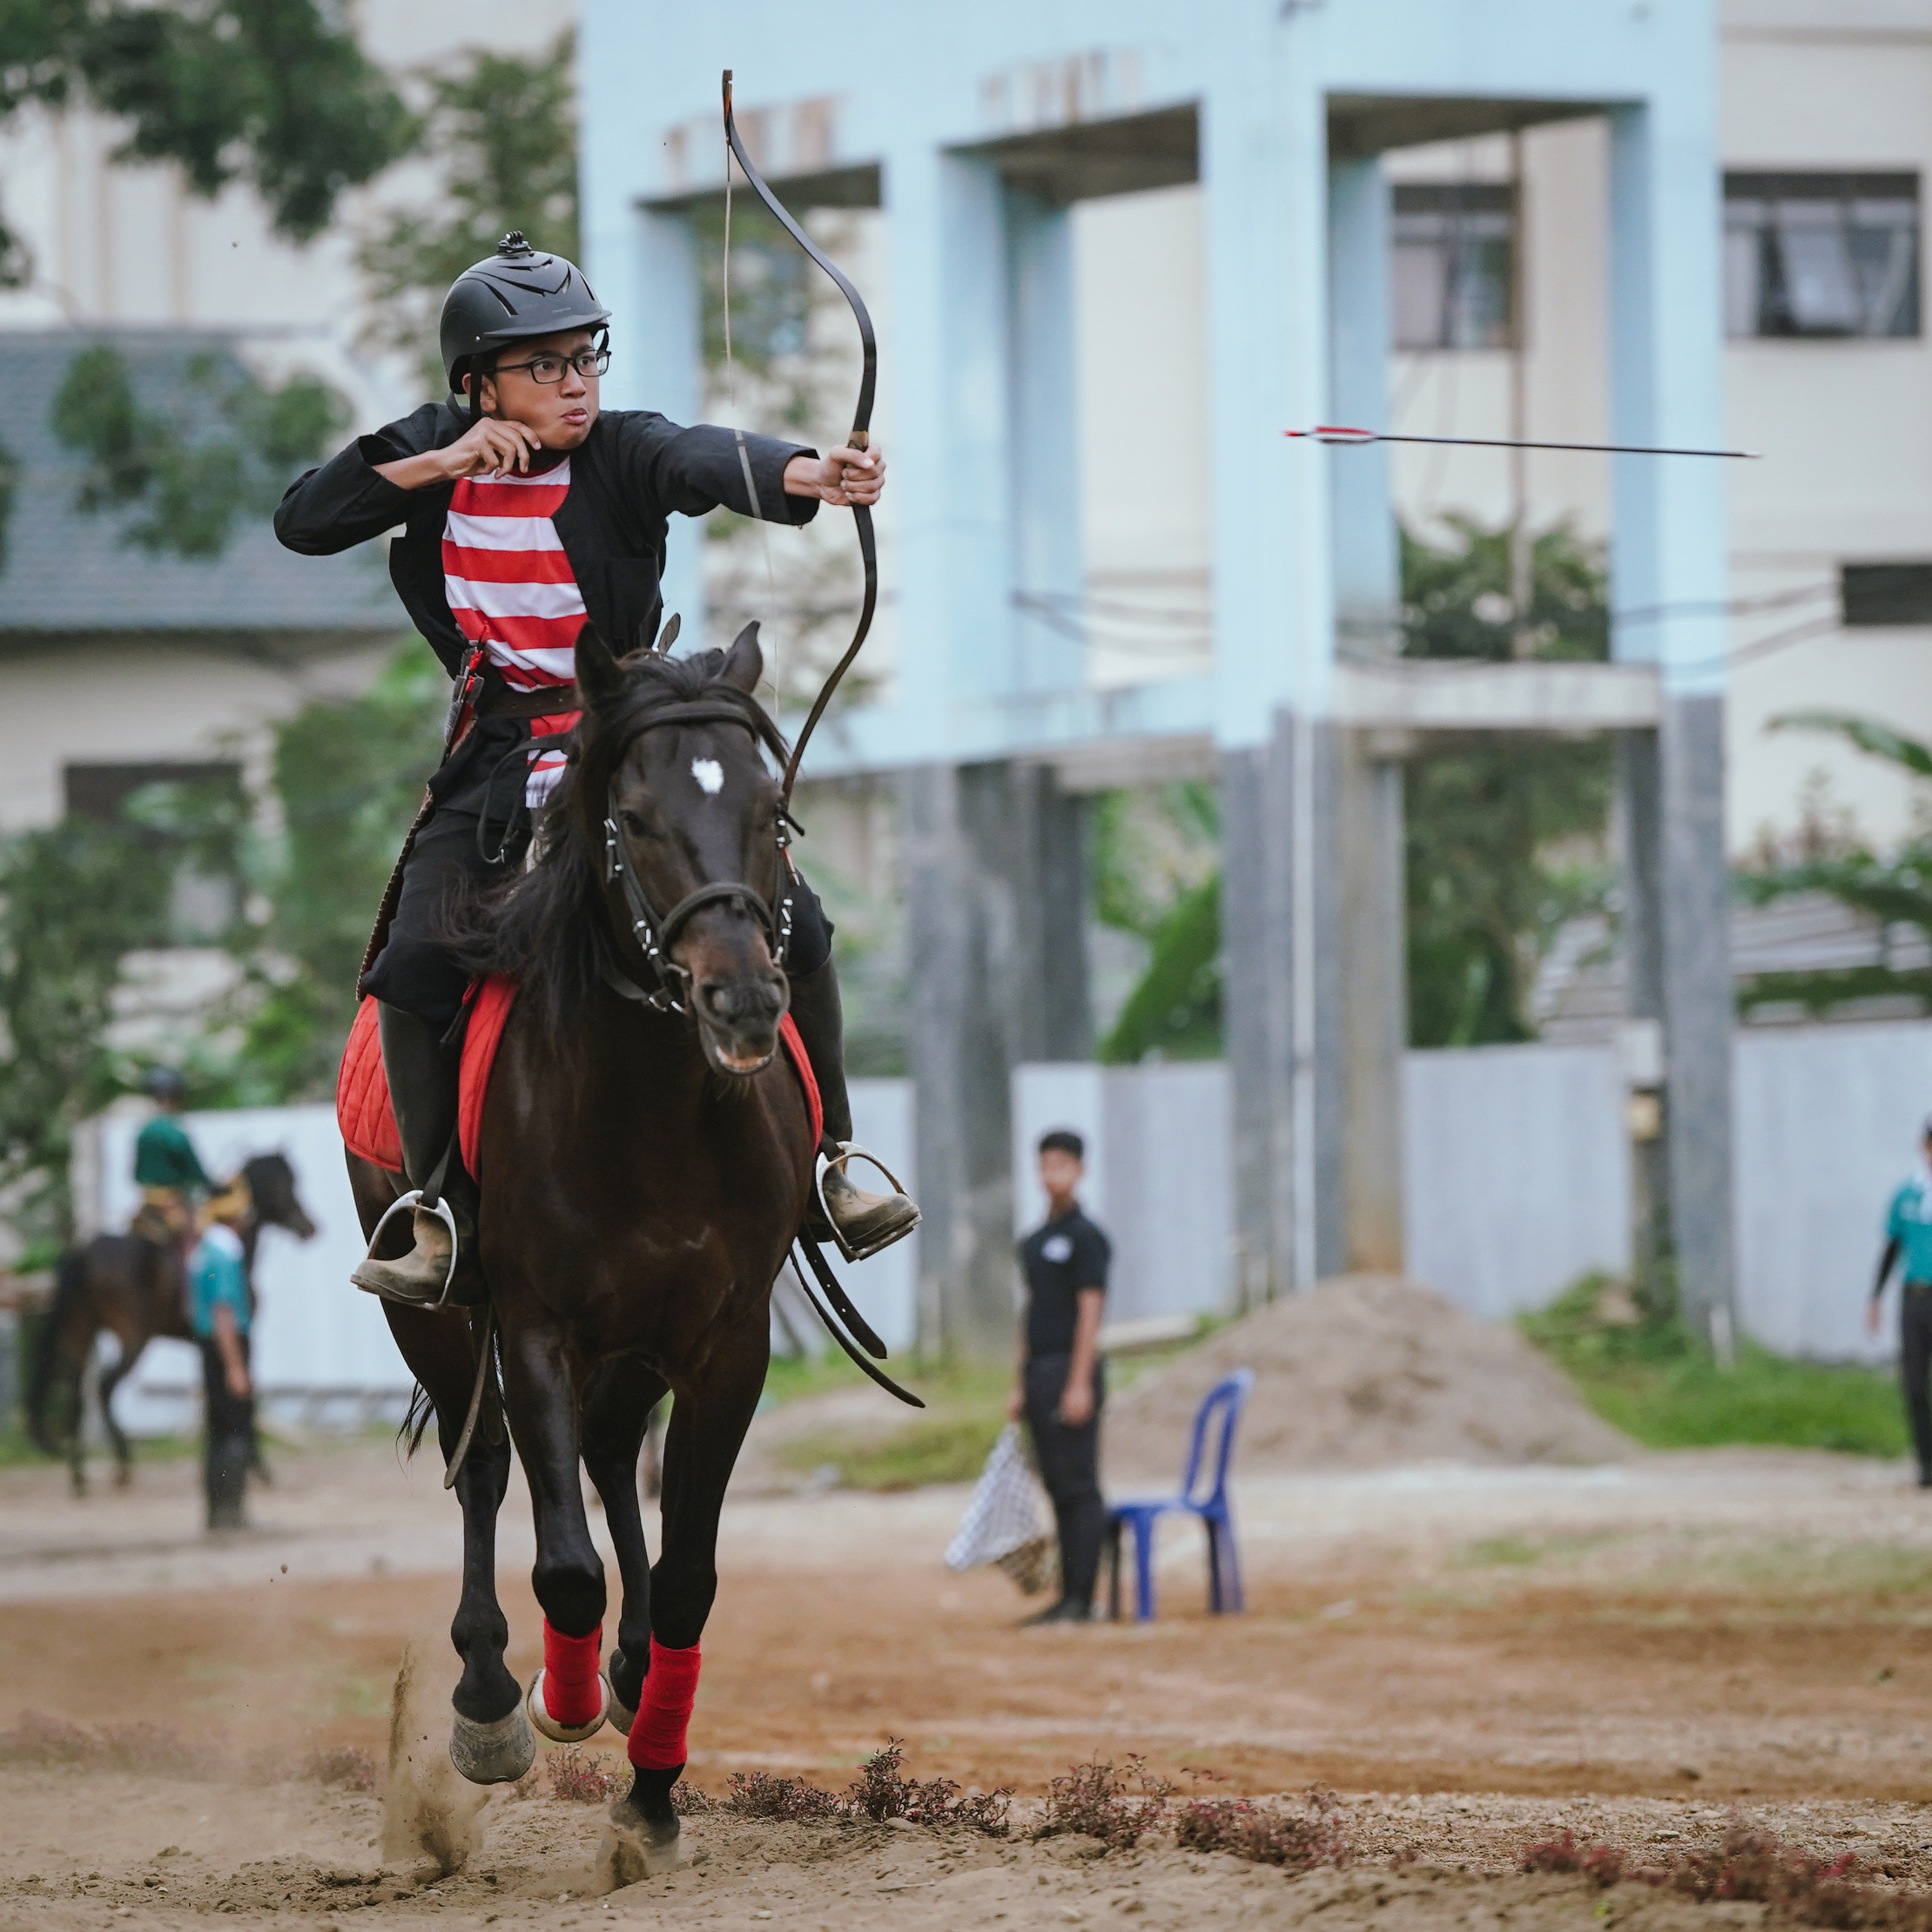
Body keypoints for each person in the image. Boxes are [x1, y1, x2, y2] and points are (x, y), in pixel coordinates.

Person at [274, 232, 917, 1303]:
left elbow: (698, 455)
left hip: (623, 741)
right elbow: (304, 520)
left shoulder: (620, 450)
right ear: (479, 382)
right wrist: (444, 464)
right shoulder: (431, 450)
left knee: (794, 922)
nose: (576, 384)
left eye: (587, 358)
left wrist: (808, 472)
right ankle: (433, 1209)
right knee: (412, 960)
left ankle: (832, 1164)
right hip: (491, 760)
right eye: (547, 365)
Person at [1009, 1128, 1111, 1626]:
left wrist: (1080, 1381)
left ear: (1080, 1171)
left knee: (1079, 1486)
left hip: (1071, 1368)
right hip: (1039, 1370)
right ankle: (1066, 1594)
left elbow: (1090, 1310)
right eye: (1045, 1165)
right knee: (1055, 1485)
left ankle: (1083, 1596)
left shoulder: (1087, 1239)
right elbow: (1030, 1312)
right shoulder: (1034, 1242)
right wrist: (1018, 1384)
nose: (1052, 1175)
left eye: (1062, 1166)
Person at [1869, 1115, 1932, 1488]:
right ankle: (1926, 1462)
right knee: (1914, 1385)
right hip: (1916, 1298)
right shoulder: (1907, 1195)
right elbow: (1892, 1248)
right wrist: (1875, 1296)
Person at [189, 1178, 255, 1531]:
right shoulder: (226, 1251)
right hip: (228, 1345)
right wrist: (236, 1366)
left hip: (206, 1344)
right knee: (236, 1428)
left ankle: (217, 1513)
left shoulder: (201, 1251)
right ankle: (234, 1513)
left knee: (216, 1430)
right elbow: (224, 1311)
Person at [131, 1067, 210, 1247]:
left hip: (147, 1200)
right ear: (177, 1097)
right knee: (200, 1240)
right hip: (173, 1203)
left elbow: (136, 1173)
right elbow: (194, 1171)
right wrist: (210, 1184)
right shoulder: (175, 1133)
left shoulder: (144, 1131)